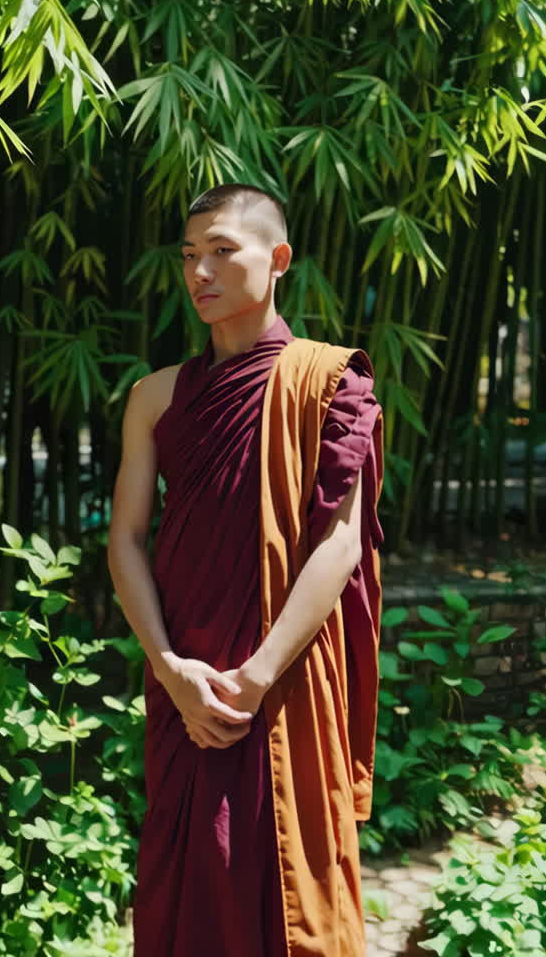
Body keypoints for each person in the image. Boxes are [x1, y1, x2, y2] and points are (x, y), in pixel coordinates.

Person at [107, 183, 384, 957]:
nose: (201, 271)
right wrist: (168, 669)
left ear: (279, 258)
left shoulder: (327, 381)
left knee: (293, 879)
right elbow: (126, 539)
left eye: (224, 251)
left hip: (285, 673)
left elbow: (340, 543)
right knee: (187, 879)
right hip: (187, 676)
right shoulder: (154, 397)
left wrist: (258, 673)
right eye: (190, 255)